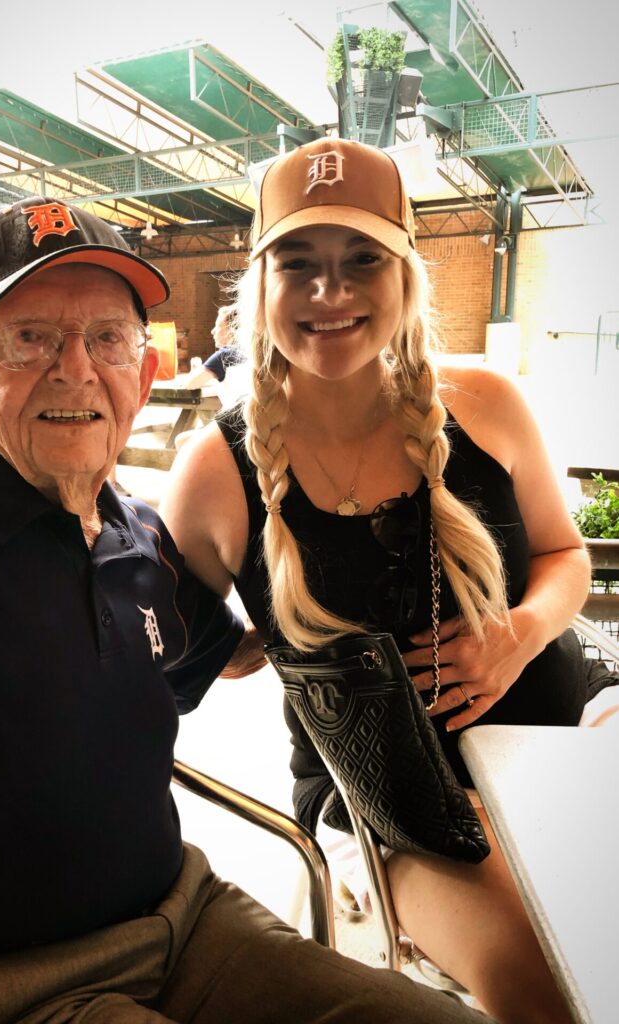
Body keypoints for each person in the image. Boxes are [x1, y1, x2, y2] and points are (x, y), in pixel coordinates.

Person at [0, 197, 492, 1024]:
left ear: (145, 374)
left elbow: (228, 651)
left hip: (187, 924)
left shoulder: (142, 541)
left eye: (107, 339)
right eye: (30, 339)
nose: (75, 369)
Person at [160, 137, 598, 1024]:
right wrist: (247, 646)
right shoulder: (214, 474)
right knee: (556, 983)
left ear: (406, 276)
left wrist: (516, 634)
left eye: (363, 259)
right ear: (260, 284)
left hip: (559, 729)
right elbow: (158, 644)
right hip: (389, 800)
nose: (331, 293)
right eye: (300, 263)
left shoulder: (485, 405)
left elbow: (565, 558)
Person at [183, 305, 247, 392]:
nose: (212, 331)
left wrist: (196, 369)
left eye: (218, 326)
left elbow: (190, 384)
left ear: (231, 330)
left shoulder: (224, 355)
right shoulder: (248, 353)